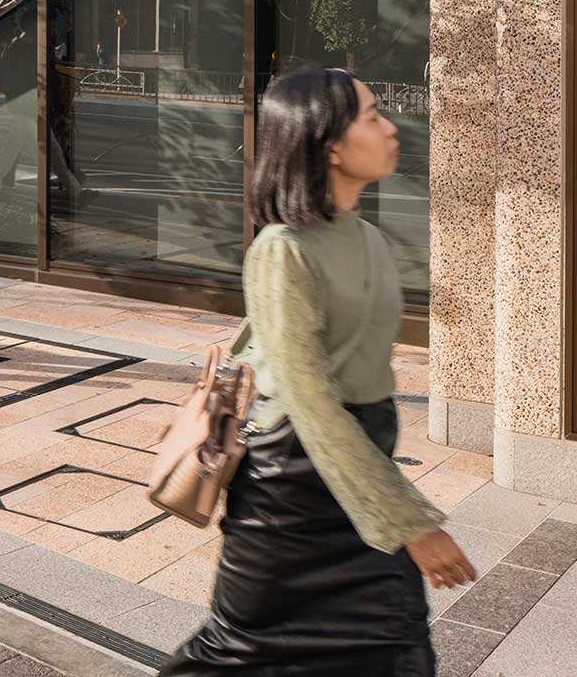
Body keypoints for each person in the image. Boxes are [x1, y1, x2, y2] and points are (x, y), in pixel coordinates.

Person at [162, 67, 475, 675]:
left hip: (359, 473)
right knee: (235, 654)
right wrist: (411, 525)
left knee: (398, 653)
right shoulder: (282, 250)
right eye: (373, 115)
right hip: (290, 496)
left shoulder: (370, 240)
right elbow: (312, 405)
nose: (391, 128)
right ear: (329, 142)